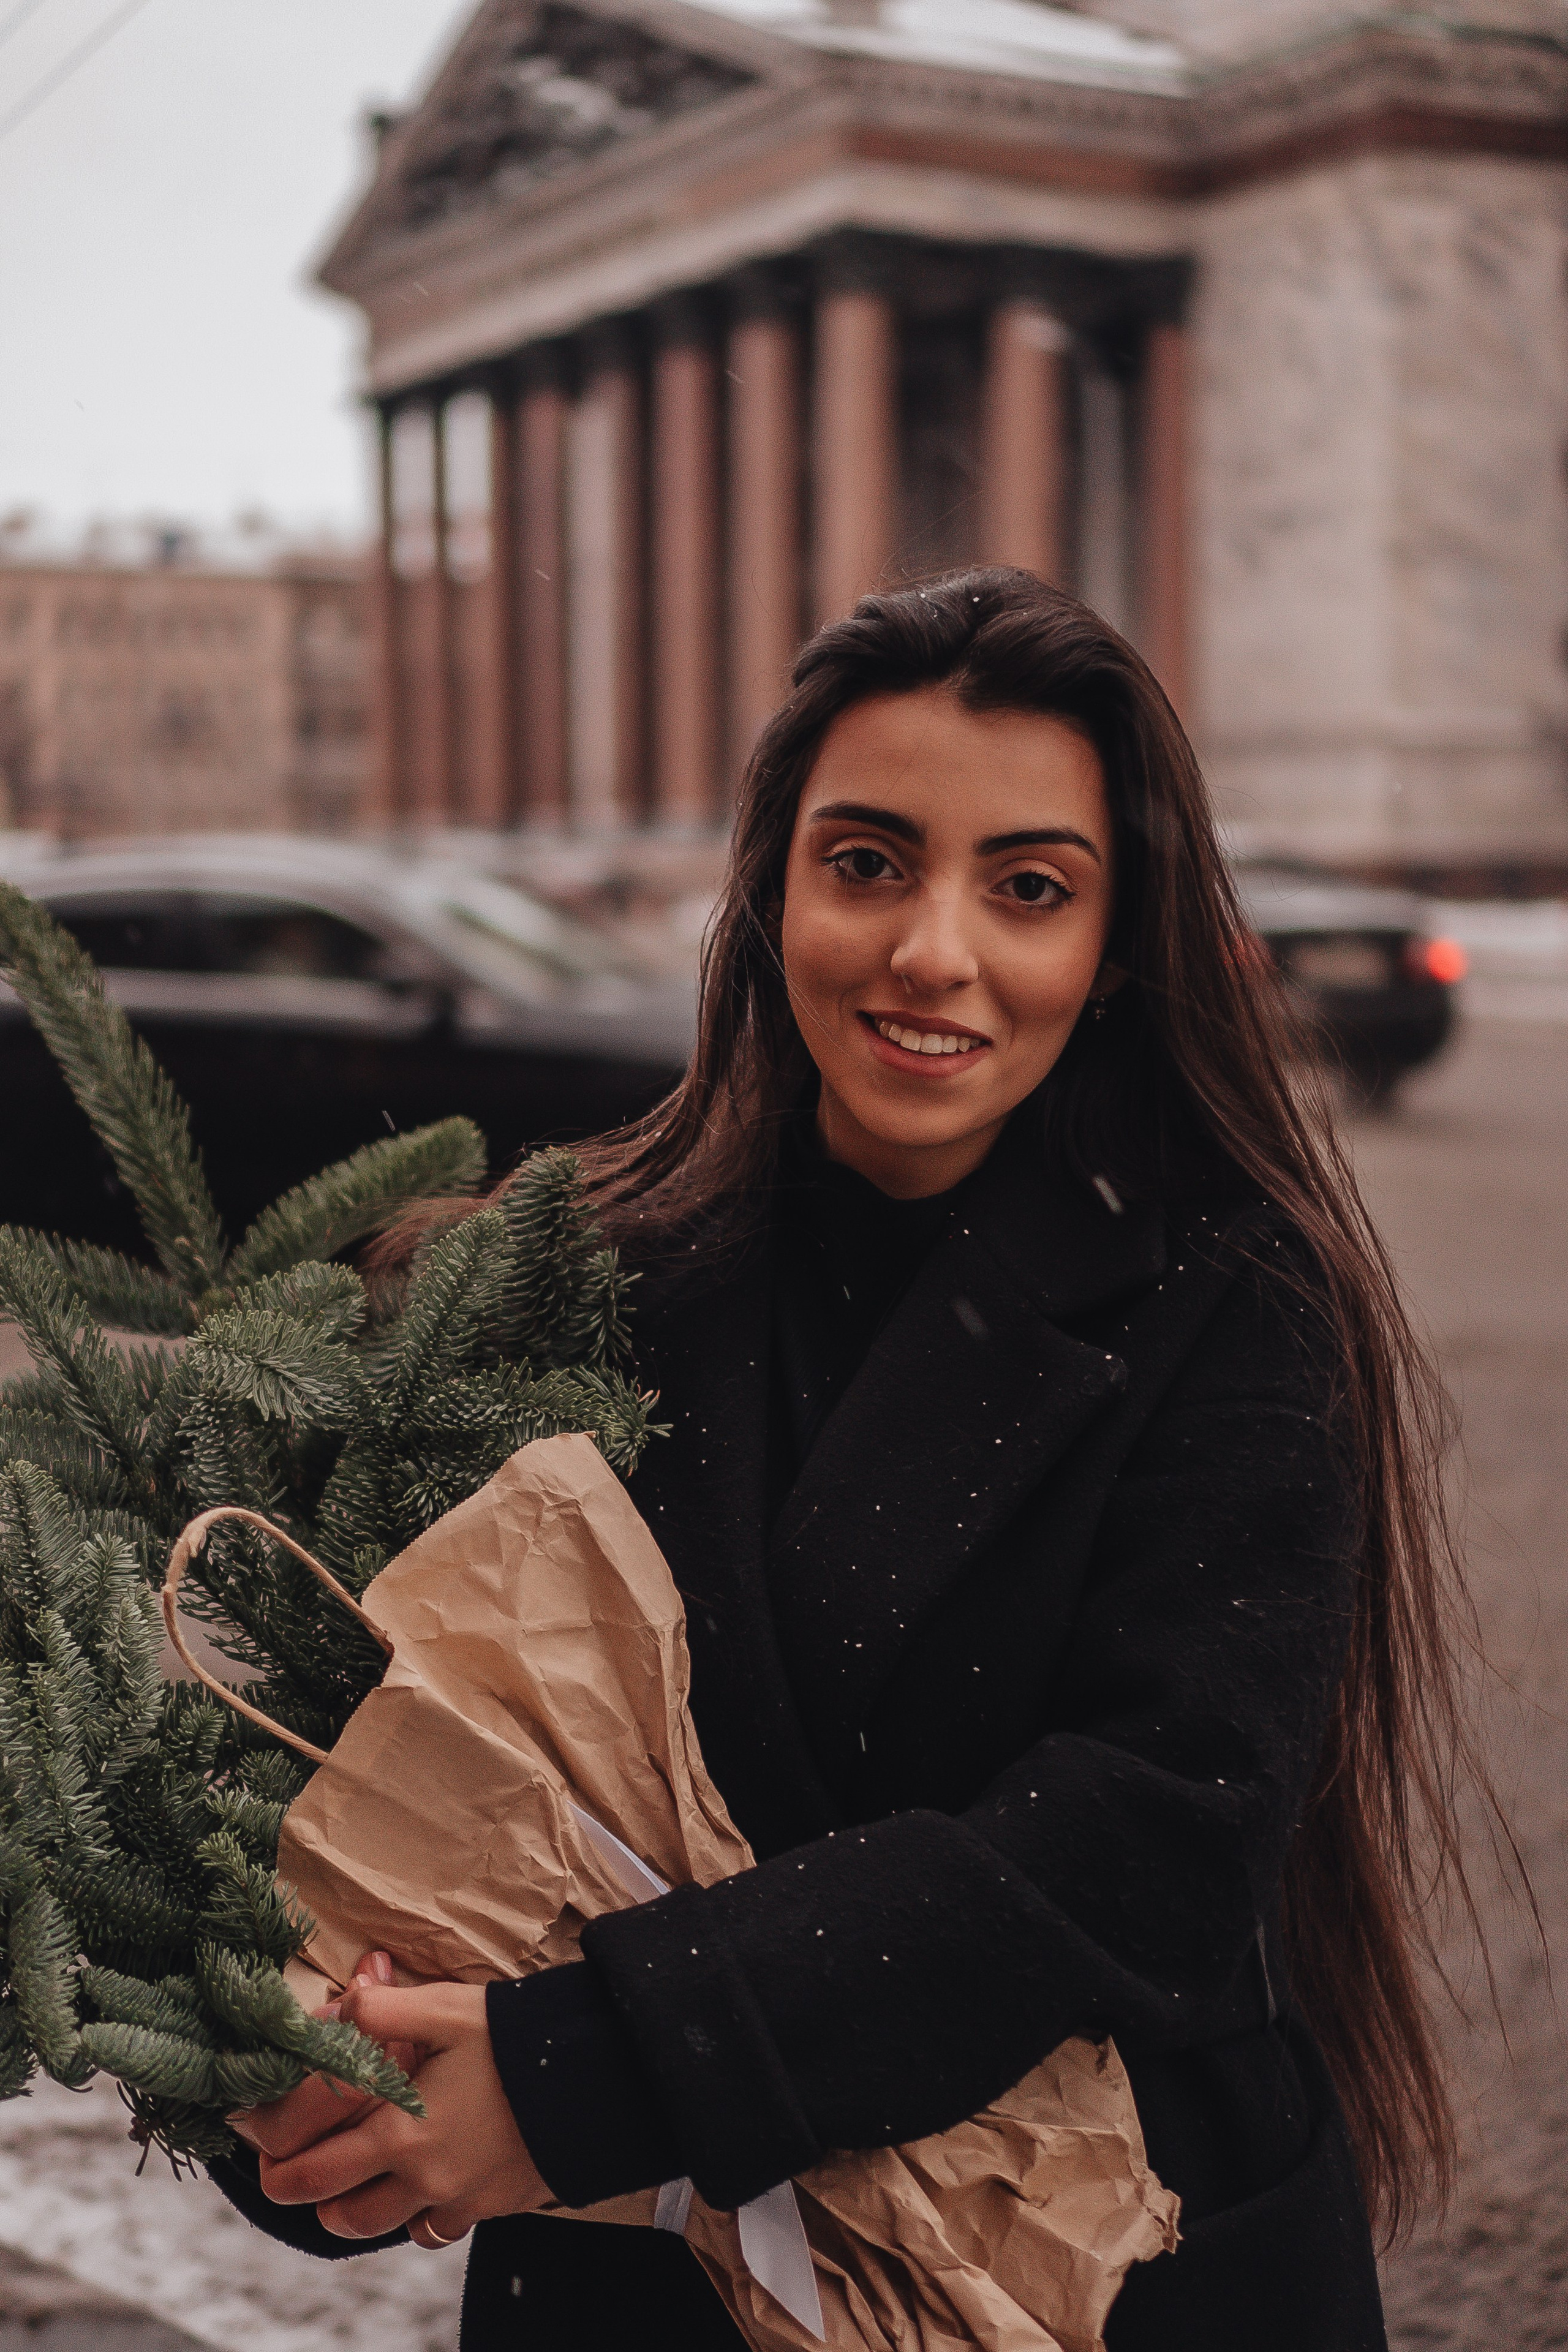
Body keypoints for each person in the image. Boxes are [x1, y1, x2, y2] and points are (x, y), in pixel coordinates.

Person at [213, 570, 1482, 2351]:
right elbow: (377, 1787)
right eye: (868, 862)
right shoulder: (574, 1274)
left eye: (1026, 888)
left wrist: (581, 2074)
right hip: (644, 2288)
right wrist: (339, 2095)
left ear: (1115, 944)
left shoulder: (1234, 1298)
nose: (931, 951)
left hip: (1109, 2258)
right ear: (775, 887)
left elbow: (1144, 1835)